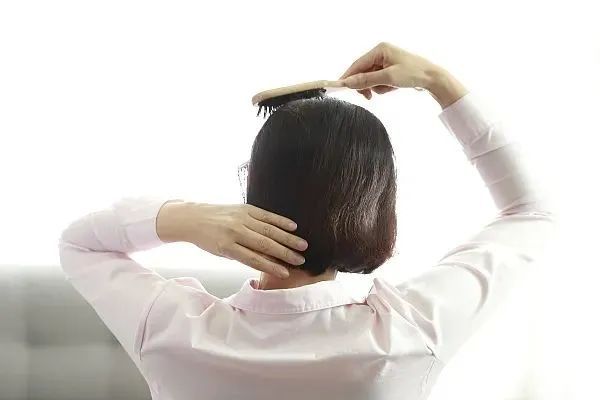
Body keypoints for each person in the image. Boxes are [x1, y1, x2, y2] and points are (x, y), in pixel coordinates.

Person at [58, 42, 558, 399]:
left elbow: (80, 244)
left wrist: (182, 218)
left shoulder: (169, 328)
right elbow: (532, 210)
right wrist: (438, 82)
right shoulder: (407, 334)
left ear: (253, 184)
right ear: (376, 202)